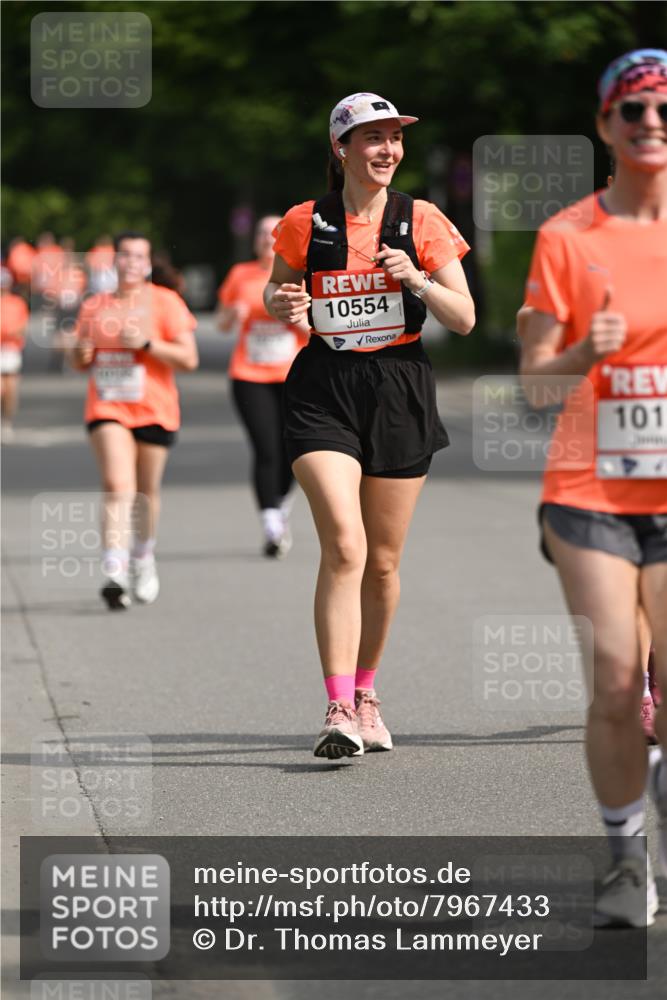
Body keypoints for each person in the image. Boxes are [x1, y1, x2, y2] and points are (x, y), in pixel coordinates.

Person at [264, 93, 474, 758]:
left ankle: (365, 692)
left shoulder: (423, 220)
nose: (386, 149)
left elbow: (463, 317)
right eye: (372, 138)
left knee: (381, 564)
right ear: (341, 148)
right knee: (346, 548)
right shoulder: (306, 221)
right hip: (323, 388)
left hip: (398, 387)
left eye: (394, 138)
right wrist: (283, 300)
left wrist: (415, 279)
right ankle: (335, 707)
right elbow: (275, 291)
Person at [518, 49, 667, 927]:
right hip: (592, 490)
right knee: (616, 677)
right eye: (632, 110)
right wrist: (584, 352)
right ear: (605, 126)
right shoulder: (567, 237)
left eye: (663, 107)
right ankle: (623, 860)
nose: (650, 121)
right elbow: (536, 382)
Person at [67, 231, 199, 609]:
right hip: (108, 406)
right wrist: (79, 350)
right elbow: (79, 362)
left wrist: (146, 344)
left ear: (148, 264)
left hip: (154, 408)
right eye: (124, 256)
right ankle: (114, 570)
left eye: (138, 257)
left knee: (145, 493)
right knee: (116, 483)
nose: (130, 263)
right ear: (114, 261)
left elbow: (189, 360)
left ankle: (143, 557)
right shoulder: (95, 305)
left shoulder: (165, 302)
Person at [218, 216, 309, 556]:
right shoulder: (240, 275)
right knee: (266, 447)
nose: (264, 239)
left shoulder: (300, 274)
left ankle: (281, 503)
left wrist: (297, 320)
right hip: (249, 375)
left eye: (272, 234)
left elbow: (314, 327)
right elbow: (223, 322)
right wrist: (235, 315)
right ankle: (271, 522)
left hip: (294, 375)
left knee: (293, 449)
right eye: (259, 233)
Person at [0, 265, 30, 438]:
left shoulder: (17, 303)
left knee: (10, 389)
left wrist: (12, 333)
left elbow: (23, 326)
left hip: (11, 349)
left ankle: (6, 422)